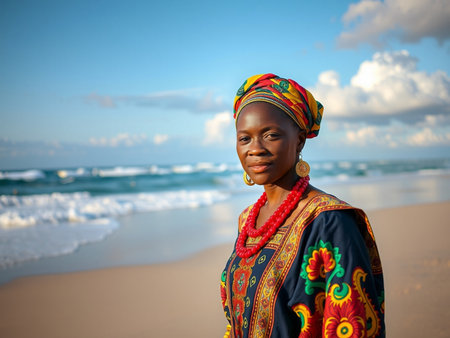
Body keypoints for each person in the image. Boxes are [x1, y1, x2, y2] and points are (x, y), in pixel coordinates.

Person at [220, 74, 385, 337]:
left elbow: (352, 327)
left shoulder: (329, 222)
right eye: (245, 139)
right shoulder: (247, 220)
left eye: (270, 135)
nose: (256, 149)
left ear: (299, 141)